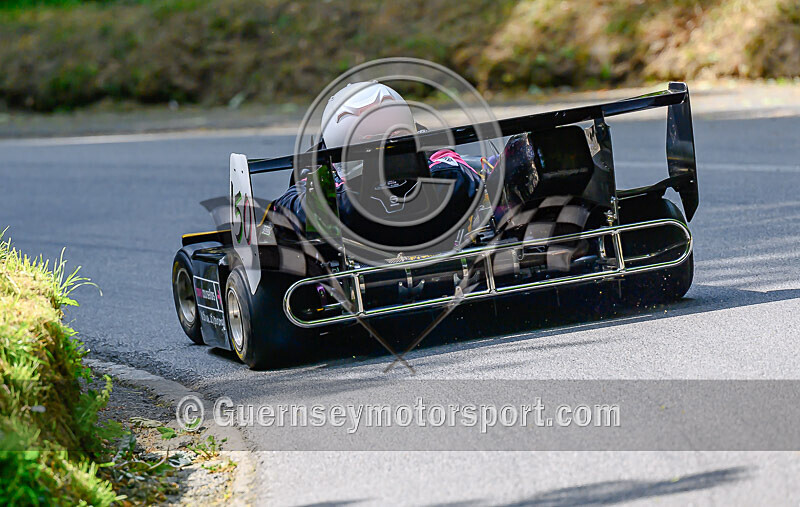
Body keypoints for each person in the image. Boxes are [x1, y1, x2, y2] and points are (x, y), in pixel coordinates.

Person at [272, 81, 488, 250]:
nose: (383, 154)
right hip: (350, 266)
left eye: (391, 138)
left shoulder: (441, 162)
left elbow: (472, 174)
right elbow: (284, 212)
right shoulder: (321, 178)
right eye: (369, 142)